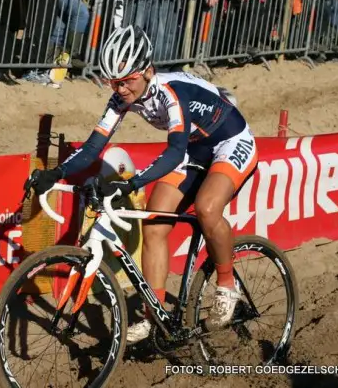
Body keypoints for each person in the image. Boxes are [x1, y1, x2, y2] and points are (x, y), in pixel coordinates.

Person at [29, 25, 259, 345]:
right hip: (195, 147)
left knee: (207, 207)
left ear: (148, 71)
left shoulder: (170, 93)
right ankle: (155, 315)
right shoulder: (122, 98)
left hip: (229, 141)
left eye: (127, 81)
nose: (121, 89)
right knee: (153, 225)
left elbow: (174, 151)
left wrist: (132, 183)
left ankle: (226, 284)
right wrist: (56, 173)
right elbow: (94, 148)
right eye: (114, 82)